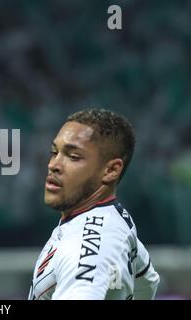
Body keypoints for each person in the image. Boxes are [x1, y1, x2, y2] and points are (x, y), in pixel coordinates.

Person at [28, 109, 160, 300]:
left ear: (111, 170)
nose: (54, 165)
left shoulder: (88, 248)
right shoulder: (111, 223)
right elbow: (147, 281)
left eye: (73, 156)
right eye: (54, 152)